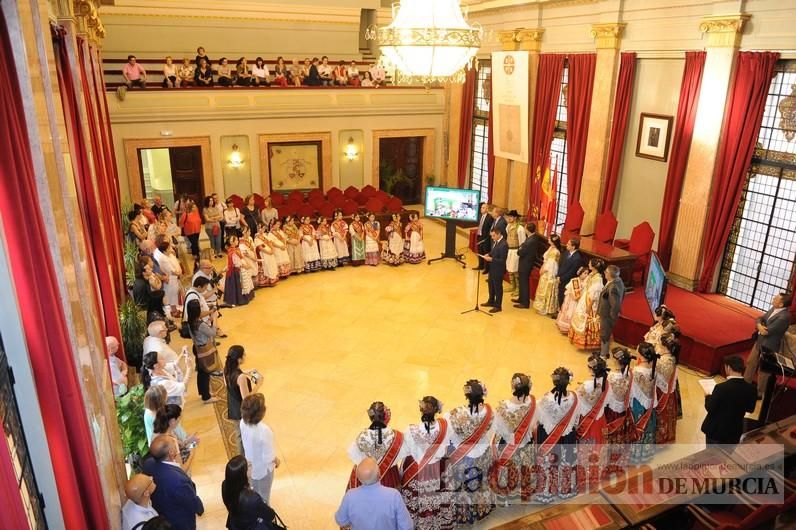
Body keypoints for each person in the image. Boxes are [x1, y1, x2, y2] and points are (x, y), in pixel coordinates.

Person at [444, 379, 495, 523]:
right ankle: (481, 509)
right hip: (483, 454)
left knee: (463, 486)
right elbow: (492, 433)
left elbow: (449, 437)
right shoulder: (490, 413)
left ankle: (465, 514)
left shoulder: (454, 415)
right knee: (481, 482)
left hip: (462, 457)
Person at [399, 396, 453, 530]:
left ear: (421, 410)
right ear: (436, 410)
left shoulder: (410, 431)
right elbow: (448, 445)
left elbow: (406, 452)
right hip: (438, 468)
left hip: (417, 471)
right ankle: (437, 521)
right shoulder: (445, 426)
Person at [491, 373, 538, 505]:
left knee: (507, 474)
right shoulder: (534, 403)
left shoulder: (503, 408)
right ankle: (522, 493)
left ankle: (505, 499)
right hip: (526, 445)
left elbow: (498, 431)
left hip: (508, 446)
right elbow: (534, 425)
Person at [534, 367, 579, 504]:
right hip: (567, 436)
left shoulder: (546, 399)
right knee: (566, 461)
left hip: (548, 437)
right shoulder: (574, 397)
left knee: (549, 464)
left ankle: (547, 492)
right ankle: (565, 489)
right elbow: (577, 418)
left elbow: (539, 419)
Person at [143, 436, 204, 530]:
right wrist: (199, 508)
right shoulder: (178, 481)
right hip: (180, 521)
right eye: (174, 443)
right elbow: (190, 501)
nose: (176, 444)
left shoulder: (148, 464)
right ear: (171, 452)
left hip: (162, 511)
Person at [335, 457, 414, 530]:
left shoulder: (350, 496)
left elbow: (341, 520)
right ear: (379, 474)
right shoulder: (394, 495)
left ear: (358, 478)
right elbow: (407, 526)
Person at [347, 401, 407, 490]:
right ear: (386, 417)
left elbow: (353, 455)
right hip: (388, 477)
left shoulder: (362, 437)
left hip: (366, 475)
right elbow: (404, 453)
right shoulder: (396, 436)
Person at [744, 292, 793, 398]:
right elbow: (760, 318)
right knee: (750, 363)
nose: (773, 299)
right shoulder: (773, 309)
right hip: (760, 342)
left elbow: (767, 331)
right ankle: (744, 385)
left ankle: (759, 393)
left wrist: (761, 328)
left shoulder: (784, 317)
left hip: (769, 346)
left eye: (776, 299)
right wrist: (760, 325)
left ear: (781, 304)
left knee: (763, 371)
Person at [701, 355, 757, 446]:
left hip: (716, 432)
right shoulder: (752, 389)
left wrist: (707, 397)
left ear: (728, 368)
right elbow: (750, 409)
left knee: (711, 458)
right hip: (734, 432)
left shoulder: (720, 388)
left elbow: (710, 408)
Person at [575, 353, 610, 492]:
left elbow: (578, 404)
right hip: (600, 420)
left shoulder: (586, 386)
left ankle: (585, 476)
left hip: (587, 422)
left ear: (591, 369)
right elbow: (607, 402)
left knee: (586, 450)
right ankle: (597, 473)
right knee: (598, 447)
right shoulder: (607, 382)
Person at [240, 393, 279, 503]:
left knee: (254, 491)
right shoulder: (264, 431)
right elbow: (268, 457)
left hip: (250, 465)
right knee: (264, 497)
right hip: (263, 469)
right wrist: (277, 460)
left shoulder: (243, 422)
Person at [224, 345, 263, 452]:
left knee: (239, 434)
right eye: (244, 355)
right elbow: (246, 399)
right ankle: (244, 459)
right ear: (239, 359)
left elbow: (236, 375)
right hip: (241, 411)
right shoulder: (241, 378)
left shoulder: (227, 369)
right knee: (243, 437)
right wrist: (258, 385)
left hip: (233, 407)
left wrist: (247, 371)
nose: (245, 356)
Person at [221, 456, 277, 530]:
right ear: (243, 474)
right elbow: (270, 515)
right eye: (248, 466)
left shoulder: (225, 485)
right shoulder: (253, 499)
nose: (250, 464)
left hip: (235, 523)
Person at [629, 342, 659, 463]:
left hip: (637, 404)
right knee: (648, 428)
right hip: (650, 404)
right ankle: (646, 453)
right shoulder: (654, 369)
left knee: (637, 427)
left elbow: (631, 390)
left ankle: (634, 455)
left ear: (640, 355)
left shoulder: (636, 372)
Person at [186, 298, 220, 404]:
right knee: (206, 372)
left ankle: (204, 393)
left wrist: (209, 321)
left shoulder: (191, 321)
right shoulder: (199, 324)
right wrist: (215, 319)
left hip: (197, 348)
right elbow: (213, 333)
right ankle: (206, 397)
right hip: (205, 349)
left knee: (201, 372)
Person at [568, 258, 605, 350]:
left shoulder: (598, 279)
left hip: (590, 301)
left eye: (590, 263)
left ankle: (588, 342)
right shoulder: (592, 275)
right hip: (585, 297)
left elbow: (595, 294)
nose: (588, 264)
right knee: (579, 315)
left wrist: (589, 305)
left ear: (594, 266)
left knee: (587, 318)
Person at [153, 404, 198, 471]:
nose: (180, 420)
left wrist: (188, 440)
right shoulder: (171, 441)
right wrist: (194, 448)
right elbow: (183, 469)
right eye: (179, 417)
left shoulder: (159, 432)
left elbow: (181, 444)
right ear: (172, 421)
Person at [655, 333, 680, 445]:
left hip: (661, 393)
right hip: (670, 392)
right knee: (668, 416)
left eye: (659, 343)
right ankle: (668, 437)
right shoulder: (672, 357)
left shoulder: (661, 363)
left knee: (661, 417)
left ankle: (660, 439)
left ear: (664, 347)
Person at [513, 222, 544, 309]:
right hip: (526, 262)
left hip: (525, 264)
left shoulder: (530, 241)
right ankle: (521, 298)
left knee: (524, 283)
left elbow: (520, 252)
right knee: (522, 281)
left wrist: (520, 248)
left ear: (527, 230)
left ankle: (525, 302)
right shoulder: (533, 237)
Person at [598, 265, 626, 358]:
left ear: (610, 275)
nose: (604, 273)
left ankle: (603, 355)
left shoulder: (613, 287)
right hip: (607, 314)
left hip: (607, 316)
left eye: (606, 272)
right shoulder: (618, 281)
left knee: (604, 335)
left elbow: (615, 305)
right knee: (605, 334)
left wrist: (611, 317)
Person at [482, 227, 508, 313]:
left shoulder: (504, 244)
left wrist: (491, 259)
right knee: (491, 285)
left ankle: (498, 306)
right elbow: (493, 252)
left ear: (498, 234)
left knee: (497, 288)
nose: (492, 238)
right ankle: (491, 301)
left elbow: (503, 260)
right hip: (492, 268)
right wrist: (488, 254)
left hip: (498, 270)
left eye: (493, 236)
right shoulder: (496, 241)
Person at [556, 267, 588, 334]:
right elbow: (568, 290)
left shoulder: (586, 284)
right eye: (585, 273)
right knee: (568, 313)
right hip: (571, 301)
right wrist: (572, 295)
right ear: (580, 273)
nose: (586, 275)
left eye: (587, 273)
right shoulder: (574, 280)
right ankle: (564, 328)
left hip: (578, 302)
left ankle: (571, 329)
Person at [504, 210, 526, 298]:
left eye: (510, 217)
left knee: (515, 270)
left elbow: (522, 241)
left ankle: (518, 288)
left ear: (515, 218)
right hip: (509, 250)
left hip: (516, 251)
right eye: (508, 216)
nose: (508, 218)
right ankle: (512, 286)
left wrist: (519, 252)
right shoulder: (508, 226)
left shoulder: (520, 228)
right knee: (510, 268)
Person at [557, 238, 584, 307]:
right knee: (559, 295)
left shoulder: (577, 258)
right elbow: (560, 264)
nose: (566, 245)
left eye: (568, 244)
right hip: (560, 277)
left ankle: (561, 311)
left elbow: (572, 272)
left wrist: (561, 278)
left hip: (566, 280)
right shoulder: (566, 252)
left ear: (573, 247)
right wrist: (558, 276)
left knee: (563, 296)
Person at [474, 203, 494, 272]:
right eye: (481, 207)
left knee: (485, 253)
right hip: (479, 236)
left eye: (483, 208)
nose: (481, 209)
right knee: (480, 252)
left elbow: (490, 229)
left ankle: (487, 269)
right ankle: (480, 265)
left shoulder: (490, 217)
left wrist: (487, 238)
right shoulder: (480, 216)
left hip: (485, 238)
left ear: (487, 209)